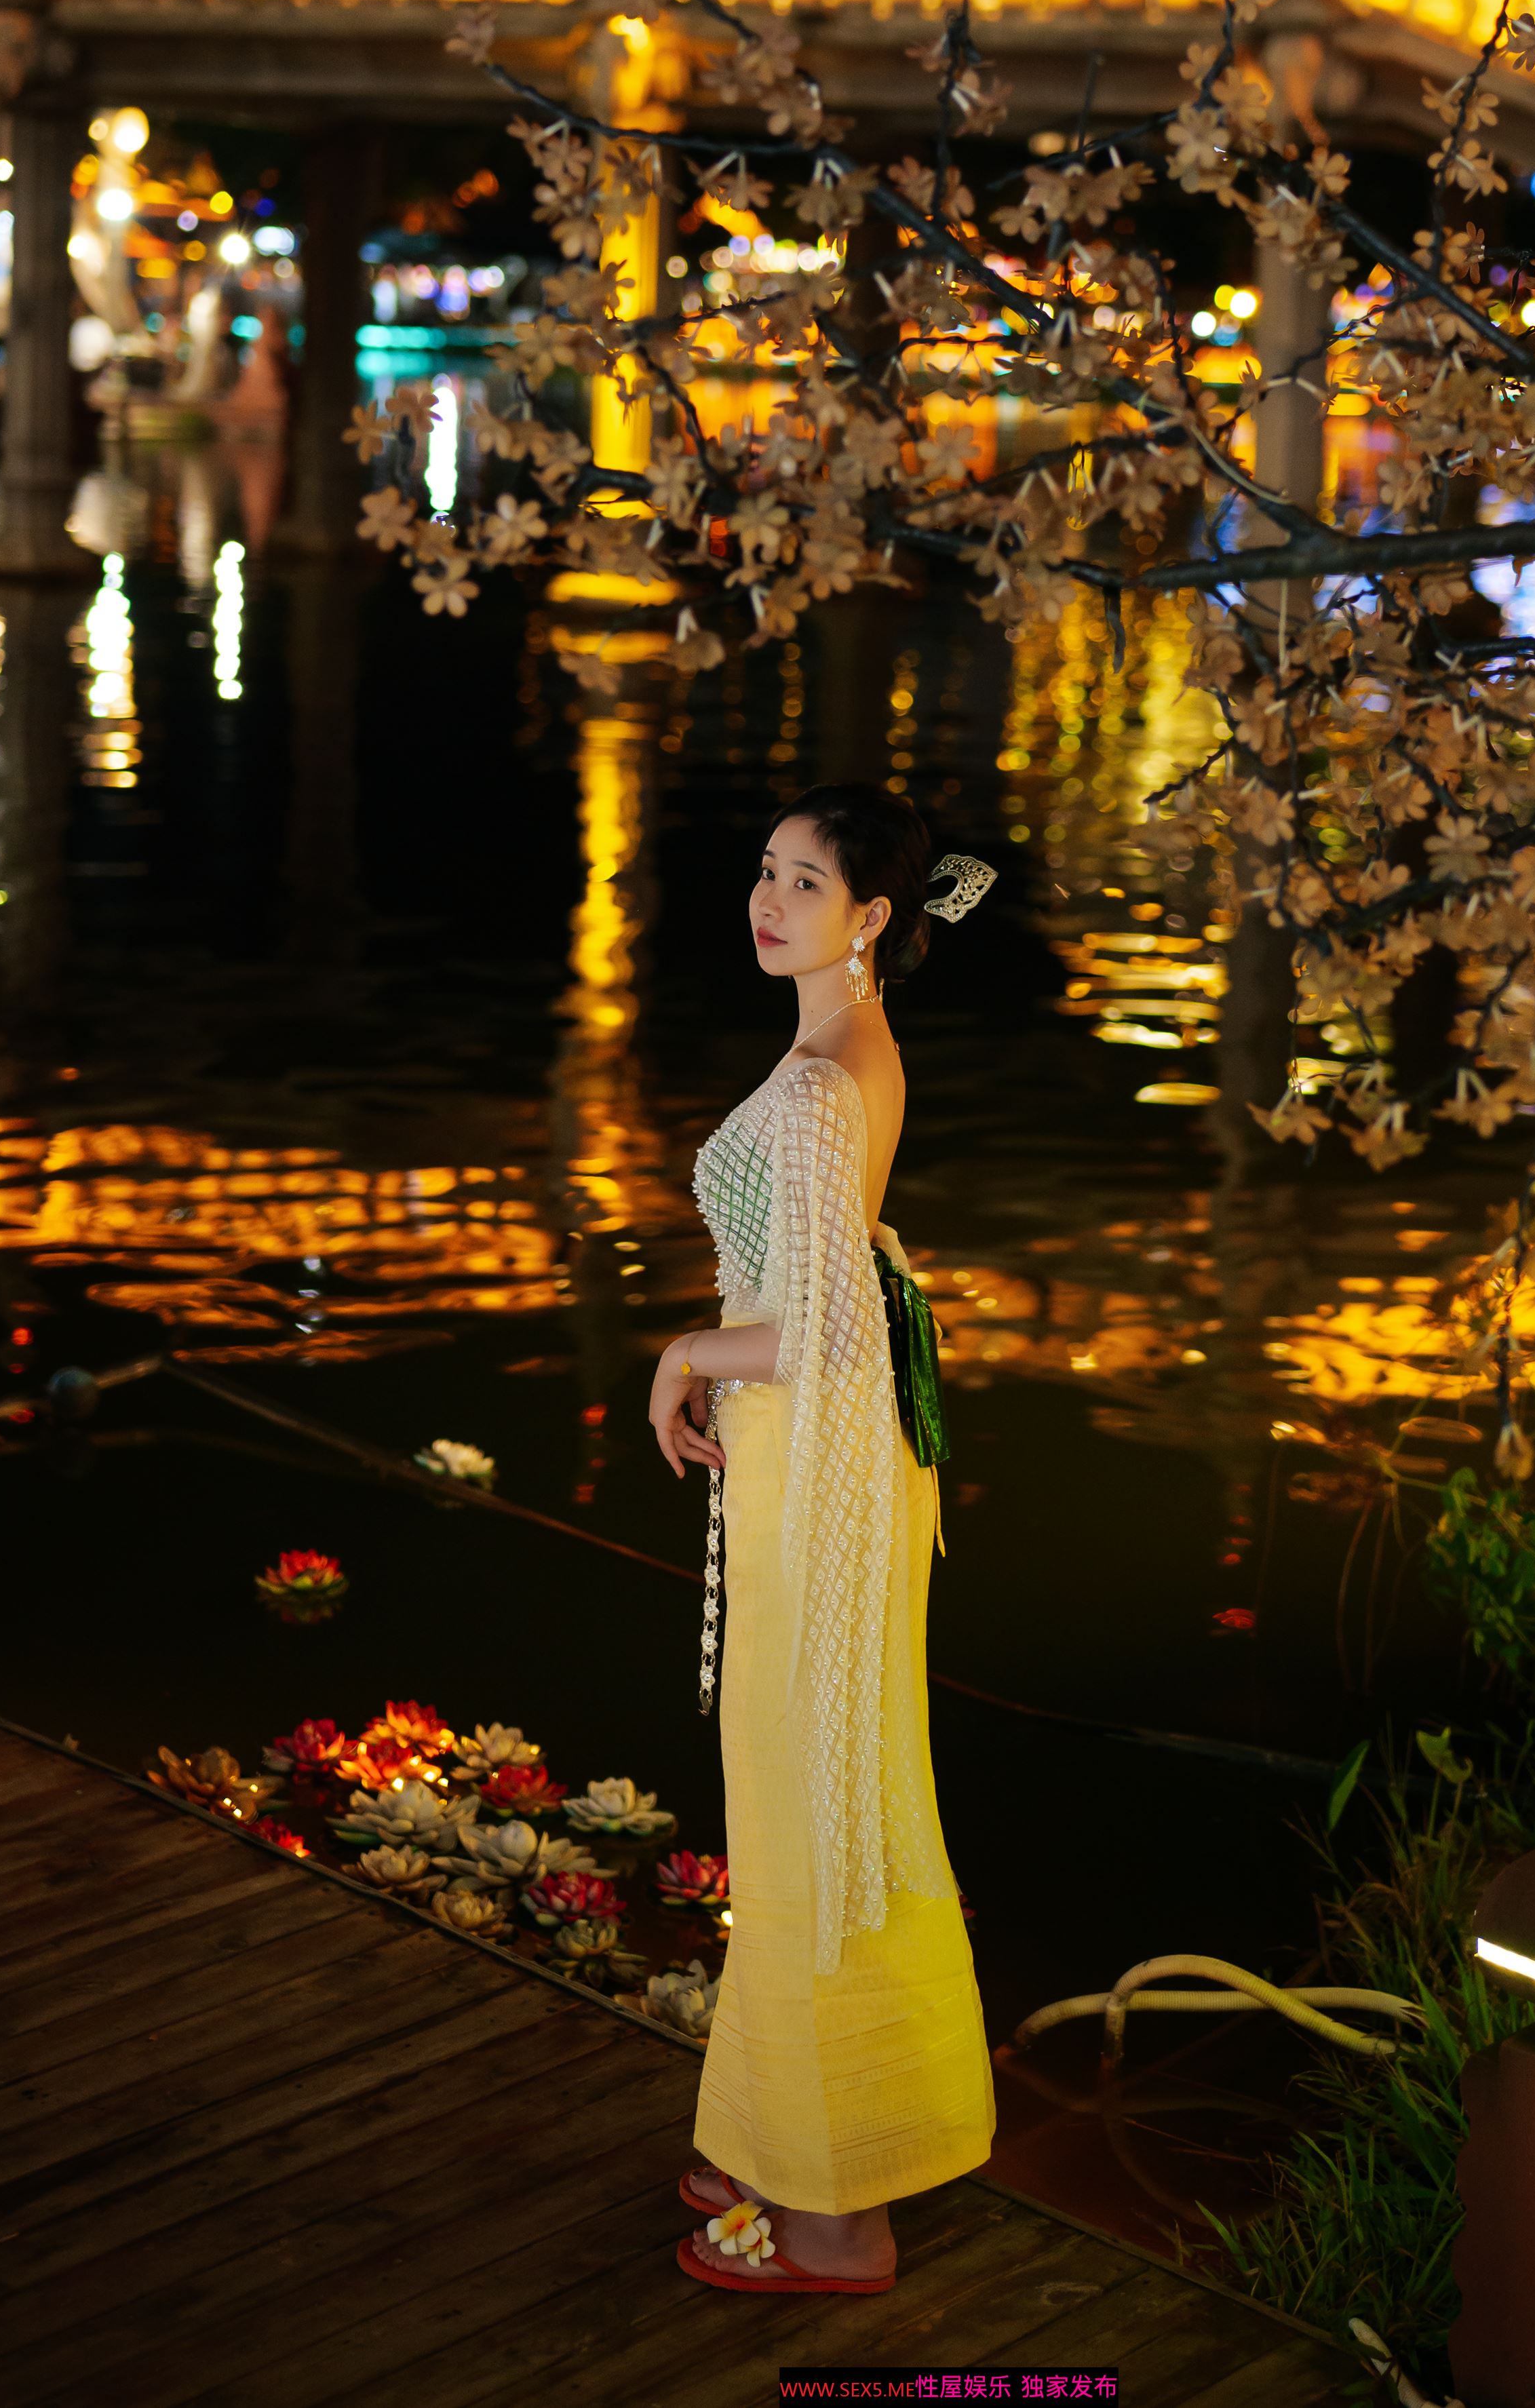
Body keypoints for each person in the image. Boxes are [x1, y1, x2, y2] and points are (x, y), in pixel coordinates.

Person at [650, 784, 997, 2296]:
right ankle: (784, 2130)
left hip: (819, 1464)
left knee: (812, 1804)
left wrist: (682, 1356)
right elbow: (841, 1279)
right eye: (766, 870)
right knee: (820, 1792)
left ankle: (842, 2210)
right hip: (835, 1457)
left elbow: (822, 1328)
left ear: (871, 917)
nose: (768, 900)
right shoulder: (851, 1047)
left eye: (805, 881)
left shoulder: (817, 1085)